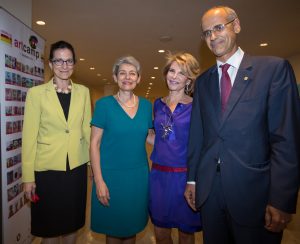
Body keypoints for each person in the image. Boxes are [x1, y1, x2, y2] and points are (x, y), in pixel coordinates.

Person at [184, 6, 300, 244]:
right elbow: (198, 135)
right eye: (207, 33)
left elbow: (286, 139)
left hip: (254, 191)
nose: (213, 37)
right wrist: (193, 180)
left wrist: (282, 199)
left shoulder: (273, 70)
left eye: (218, 28)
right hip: (210, 194)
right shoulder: (203, 82)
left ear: (236, 26)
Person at [22, 40, 91, 244]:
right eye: (59, 61)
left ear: (74, 64)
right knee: (49, 229)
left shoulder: (84, 92)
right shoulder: (36, 94)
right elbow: (29, 138)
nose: (64, 66)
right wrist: (28, 177)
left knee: (72, 226)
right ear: (50, 64)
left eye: (69, 61)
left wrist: (93, 165)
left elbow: (87, 130)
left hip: (76, 169)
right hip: (47, 172)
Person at [90, 56, 153, 243]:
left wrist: (176, 142)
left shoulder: (146, 106)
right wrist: (99, 181)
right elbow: (94, 144)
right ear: (115, 77)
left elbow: (147, 136)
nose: (127, 77)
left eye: (132, 73)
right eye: (122, 73)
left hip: (138, 178)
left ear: (139, 78)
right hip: (111, 177)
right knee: (114, 230)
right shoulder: (104, 105)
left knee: (132, 227)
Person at [149, 52, 201, 243]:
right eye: (172, 71)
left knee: (186, 233)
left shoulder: (196, 107)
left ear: (189, 79)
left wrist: (194, 180)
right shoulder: (157, 105)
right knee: (160, 231)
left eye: (181, 73)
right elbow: (159, 138)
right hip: (159, 177)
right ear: (165, 74)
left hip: (185, 178)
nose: (174, 76)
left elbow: (199, 144)